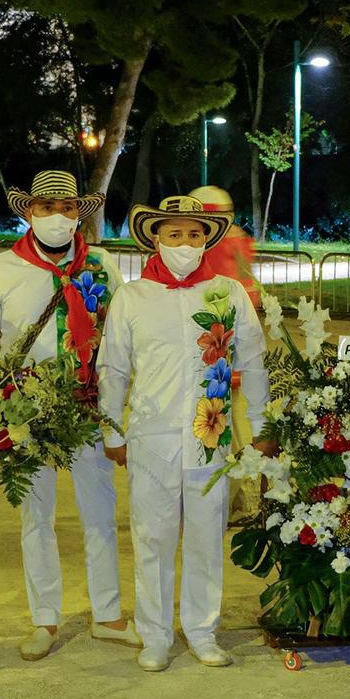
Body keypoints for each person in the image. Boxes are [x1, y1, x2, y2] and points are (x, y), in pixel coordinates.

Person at [0, 170, 135, 659]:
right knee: (36, 517)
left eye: (66, 208)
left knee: (100, 514)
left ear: (79, 212)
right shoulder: (4, 270)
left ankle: (108, 614)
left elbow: (122, 335)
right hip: (26, 409)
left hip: (88, 404)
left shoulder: (101, 265)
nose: (57, 217)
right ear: (28, 212)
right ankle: (45, 619)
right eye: (45, 208)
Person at [98, 195, 267, 671]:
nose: (185, 243)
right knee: (152, 537)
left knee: (205, 536)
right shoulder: (132, 297)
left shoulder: (227, 293)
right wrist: (113, 428)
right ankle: (154, 633)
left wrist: (263, 422)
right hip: (151, 437)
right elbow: (112, 367)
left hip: (208, 435)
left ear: (206, 239)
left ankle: (201, 629)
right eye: (175, 234)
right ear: (156, 238)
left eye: (194, 234)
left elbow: (252, 360)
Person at [191, 184, 262, 309]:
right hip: (220, 298)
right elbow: (245, 271)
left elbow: (244, 271)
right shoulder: (235, 235)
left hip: (224, 299)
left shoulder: (233, 236)